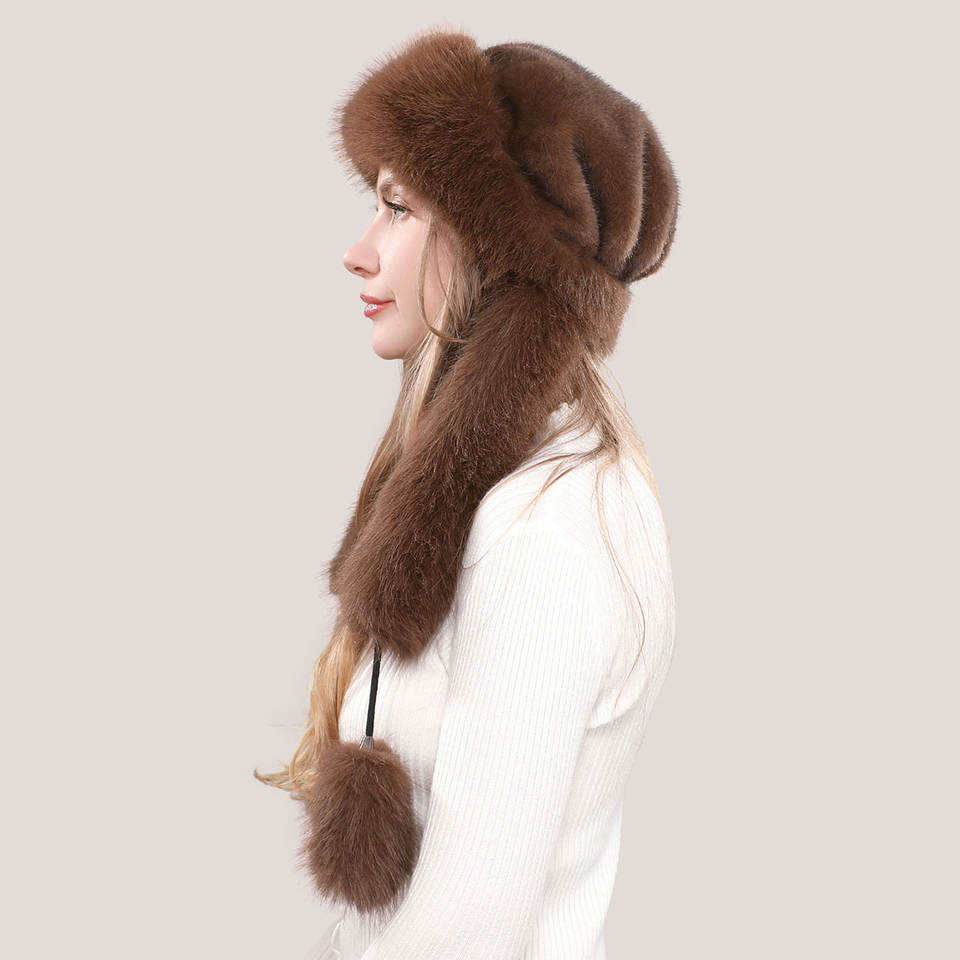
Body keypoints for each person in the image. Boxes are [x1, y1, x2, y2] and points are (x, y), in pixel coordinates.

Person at [255, 25, 680, 960]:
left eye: (397, 209)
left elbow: (468, 936)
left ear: (494, 246)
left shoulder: (546, 533)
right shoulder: (514, 497)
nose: (360, 252)